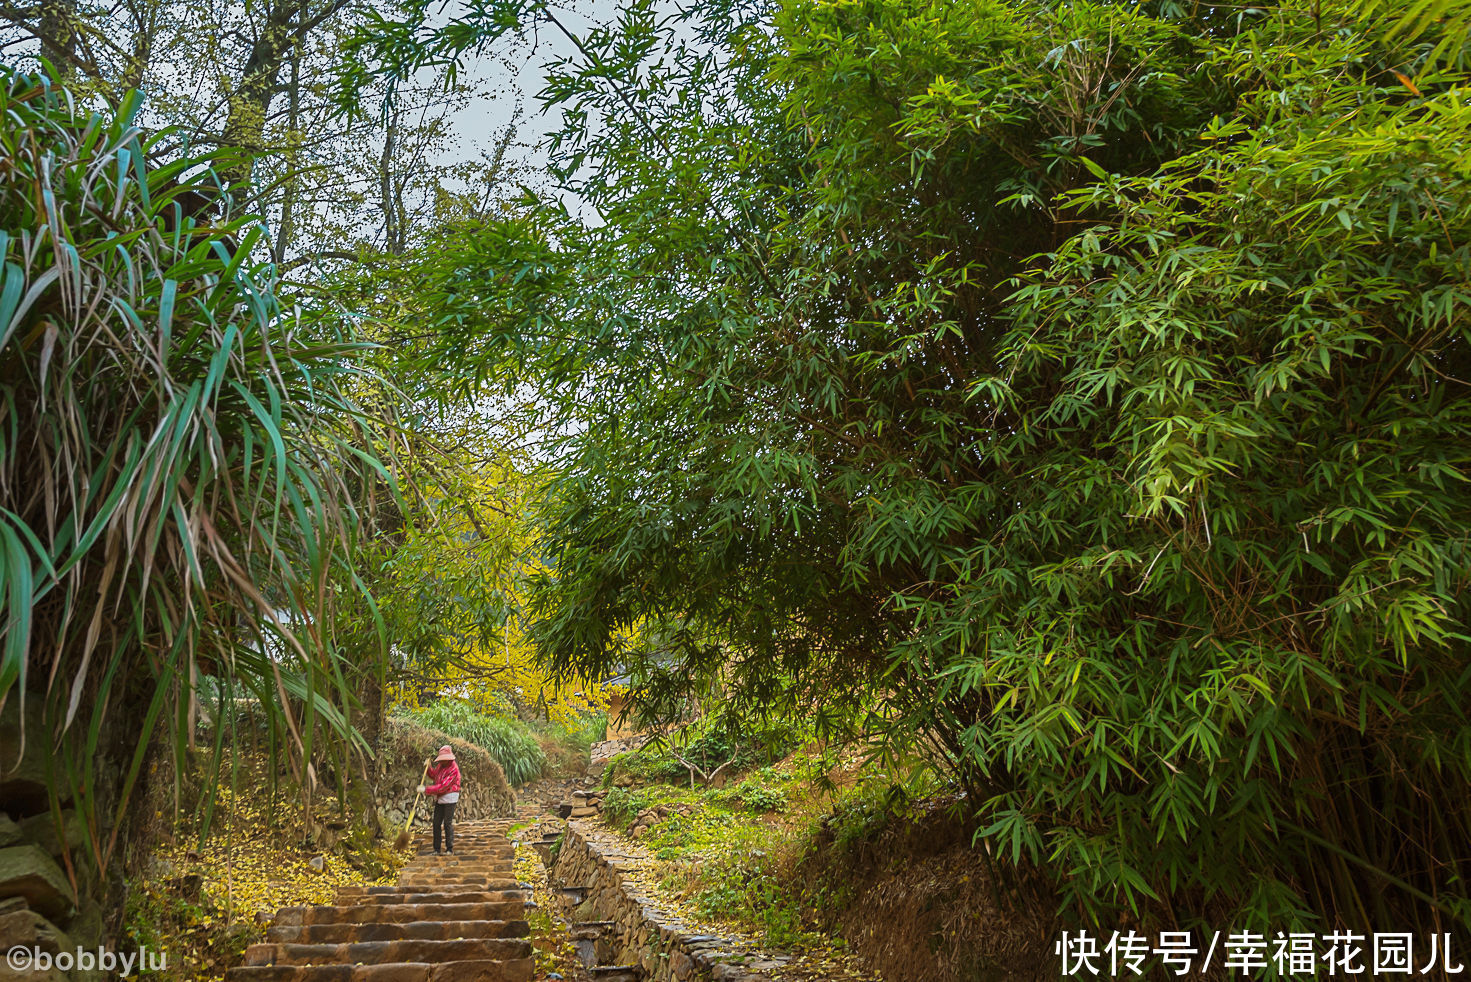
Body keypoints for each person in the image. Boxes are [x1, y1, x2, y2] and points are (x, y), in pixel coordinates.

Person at [418, 745, 462, 854]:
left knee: (447, 823)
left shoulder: (454, 769)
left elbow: (443, 786)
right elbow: (434, 775)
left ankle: (449, 848)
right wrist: (428, 768)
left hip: (450, 797)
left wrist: (425, 789)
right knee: (436, 823)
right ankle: (436, 849)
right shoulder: (441, 765)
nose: (442, 761)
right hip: (440, 798)